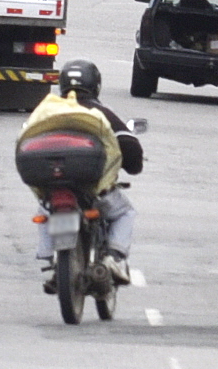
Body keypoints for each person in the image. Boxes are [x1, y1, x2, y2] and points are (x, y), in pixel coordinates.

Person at [35, 59, 143, 290]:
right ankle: (113, 258)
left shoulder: (47, 113)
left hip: (54, 188)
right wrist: (131, 165)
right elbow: (130, 149)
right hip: (94, 191)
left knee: (44, 210)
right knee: (125, 213)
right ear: (96, 86)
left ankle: (50, 260)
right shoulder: (101, 114)